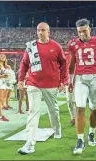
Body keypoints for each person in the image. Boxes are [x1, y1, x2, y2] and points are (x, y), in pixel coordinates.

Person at [17, 22, 67, 155]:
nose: (40, 32)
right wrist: (21, 79)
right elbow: (24, 63)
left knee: (53, 110)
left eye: (43, 30)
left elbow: (63, 64)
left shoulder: (56, 46)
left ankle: (57, 130)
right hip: (34, 83)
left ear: (48, 32)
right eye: (38, 30)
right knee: (33, 111)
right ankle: (29, 143)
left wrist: (64, 81)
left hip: (51, 84)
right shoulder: (31, 46)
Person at [68, 18, 96, 154]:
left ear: (89, 29)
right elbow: (72, 64)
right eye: (79, 32)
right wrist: (70, 80)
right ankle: (80, 140)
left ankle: (91, 132)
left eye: (84, 31)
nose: (82, 34)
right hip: (80, 79)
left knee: (94, 108)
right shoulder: (73, 44)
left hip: (95, 78)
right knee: (79, 108)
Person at [64, 49, 75, 125]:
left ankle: (77, 117)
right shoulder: (66, 58)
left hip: (79, 82)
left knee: (78, 101)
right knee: (69, 101)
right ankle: (73, 117)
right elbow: (63, 70)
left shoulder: (81, 57)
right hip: (69, 83)